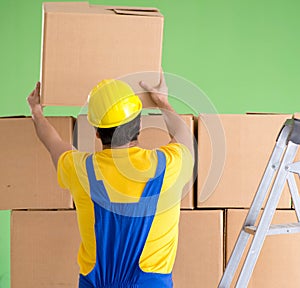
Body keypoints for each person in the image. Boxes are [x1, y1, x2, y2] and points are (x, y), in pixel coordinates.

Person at [27, 72, 194, 288]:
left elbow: (52, 142)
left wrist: (36, 112)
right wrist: (162, 101)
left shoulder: (81, 170)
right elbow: (185, 137)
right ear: (139, 125)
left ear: (97, 133)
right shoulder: (169, 164)